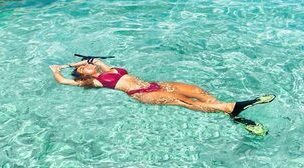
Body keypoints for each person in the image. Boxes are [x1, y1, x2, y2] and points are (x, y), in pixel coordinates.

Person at [50, 58, 274, 135]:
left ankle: (234, 115)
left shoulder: (106, 69)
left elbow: (93, 62)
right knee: (184, 101)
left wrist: (75, 63)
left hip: (154, 84)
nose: (86, 68)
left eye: (86, 67)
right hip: (140, 94)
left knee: (197, 92)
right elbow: (64, 81)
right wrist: (57, 70)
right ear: (83, 76)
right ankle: (234, 107)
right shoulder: (95, 81)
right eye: (82, 70)